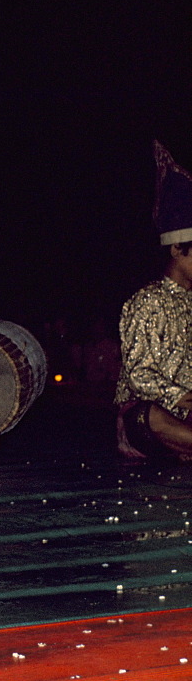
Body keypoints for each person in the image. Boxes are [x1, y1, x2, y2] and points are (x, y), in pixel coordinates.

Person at [115, 142, 192, 461]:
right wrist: (187, 397)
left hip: (186, 420)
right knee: (149, 416)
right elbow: (139, 376)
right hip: (148, 419)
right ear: (177, 249)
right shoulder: (147, 301)